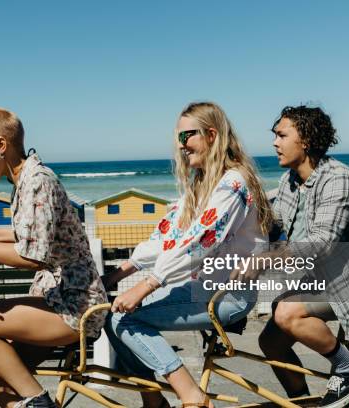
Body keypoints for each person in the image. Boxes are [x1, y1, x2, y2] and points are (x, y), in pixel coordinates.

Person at [0, 108, 108, 408]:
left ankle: (40, 403)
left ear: (0, 146)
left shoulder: (38, 181)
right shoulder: (24, 181)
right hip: (57, 299)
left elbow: (32, 256)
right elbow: (31, 234)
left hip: (74, 306)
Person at [103, 102, 272, 408]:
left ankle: (191, 395)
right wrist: (117, 275)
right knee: (110, 316)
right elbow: (167, 236)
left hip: (227, 295)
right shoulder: (201, 183)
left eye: (187, 137)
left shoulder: (233, 183)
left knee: (124, 322)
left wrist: (148, 284)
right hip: (199, 289)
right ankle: (153, 401)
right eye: (178, 139)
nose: (181, 146)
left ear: (211, 135)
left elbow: (198, 242)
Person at [246, 106, 349, 408]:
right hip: (323, 277)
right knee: (271, 341)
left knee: (288, 313)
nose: (275, 143)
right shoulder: (289, 182)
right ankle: (302, 402)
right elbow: (276, 229)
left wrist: (264, 260)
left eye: (281, 135)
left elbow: (321, 243)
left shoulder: (338, 178)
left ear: (305, 140)